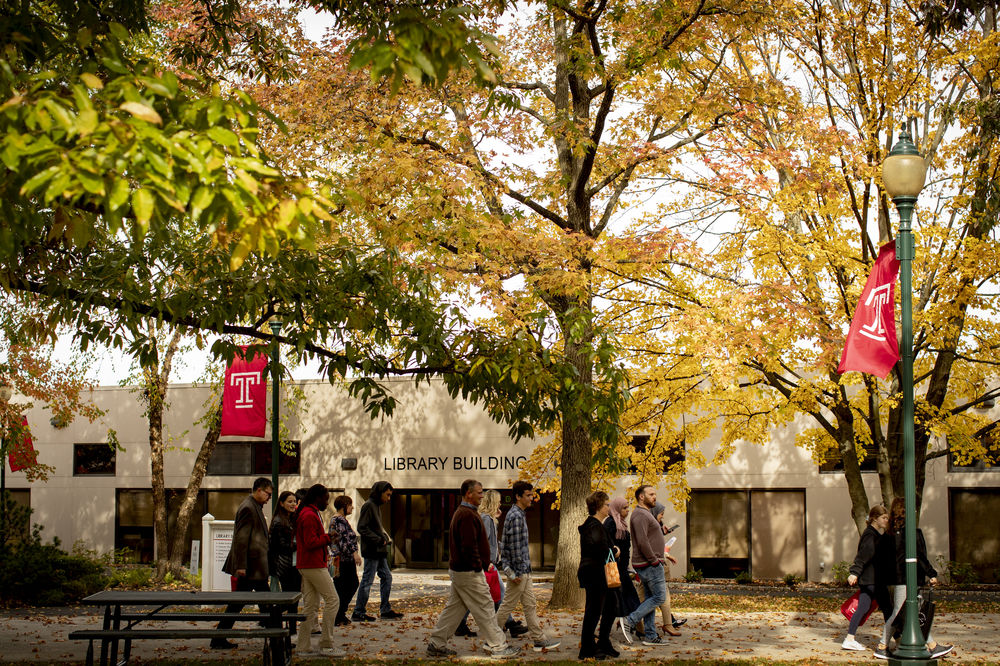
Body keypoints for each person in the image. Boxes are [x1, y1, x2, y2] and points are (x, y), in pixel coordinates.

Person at [426, 479, 521, 659]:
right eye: (479, 492)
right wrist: (479, 566)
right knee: (485, 607)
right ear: (468, 493)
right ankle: (498, 646)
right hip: (469, 571)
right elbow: (469, 546)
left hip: (462, 570)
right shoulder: (467, 515)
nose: (482, 495)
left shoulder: (465, 513)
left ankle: (436, 644)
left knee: (454, 609)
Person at [874, 498, 953, 660]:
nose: (915, 512)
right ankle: (882, 646)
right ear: (906, 512)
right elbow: (920, 556)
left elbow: (882, 560)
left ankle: (932, 645)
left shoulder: (888, 535)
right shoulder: (912, 533)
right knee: (899, 613)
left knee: (912, 613)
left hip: (897, 579)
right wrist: (931, 573)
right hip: (909, 579)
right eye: (913, 510)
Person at [496, 480, 560, 651]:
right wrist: (515, 573)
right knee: (507, 605)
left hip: (523, 570)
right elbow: (515, 548)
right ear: (518, 497)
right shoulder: (516, 516)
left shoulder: (518, 514)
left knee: (530, 605)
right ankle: (491, 638)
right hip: (519, 571)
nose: (532, 498)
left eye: (532, 494)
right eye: (528, 495)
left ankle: (538, 639)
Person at [212, 477, 272, 649]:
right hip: (251, 568)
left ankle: (218, 638)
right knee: (250, 603)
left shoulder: (254, 506)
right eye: (268, 494)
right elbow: (241, 539)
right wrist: (241, 566)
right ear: (259, 490)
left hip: (254, 567)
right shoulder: (248, 508)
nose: (269, 498)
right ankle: (276, 638)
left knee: (243, 604)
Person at [295, 483, 342, 657]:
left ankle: (303, 646)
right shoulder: (309, 515)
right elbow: (310, 542)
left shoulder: (309, 513)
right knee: (333, 600)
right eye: (325, 499)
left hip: (307, 564)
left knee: (311, 606)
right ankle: (326, 644)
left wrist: (326, 538)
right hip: (312, 564)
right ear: (318, 497)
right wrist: (328, 538)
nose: (327, 503)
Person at [619, 485, 668, 646]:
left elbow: (650, 536)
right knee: (660, 597)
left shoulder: (645, 514)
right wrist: (654, 560)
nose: (655, 497)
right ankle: (630, 620)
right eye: (651, 494)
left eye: (655, 493)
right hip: (649, 564)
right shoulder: (640, 515)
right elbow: (642, 541)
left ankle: (650, 635)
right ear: (641, 497)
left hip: (649, 563)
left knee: (650, 599)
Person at [578, 490, 622, 660]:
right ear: (598, 507)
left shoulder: (596, 525)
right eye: (606, 504)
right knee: (594, 610)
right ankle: (587, 647)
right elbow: (600, 549)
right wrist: (615, 551)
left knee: (611, 606)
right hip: (595, 574)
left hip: (600, 573)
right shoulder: (593, 526)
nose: (609, 507)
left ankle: (603, 641)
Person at [353, 480, 402, 621]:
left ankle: (385, 609)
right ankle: (358, 611)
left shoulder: (375, 506)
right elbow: (362, 527)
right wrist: (379, 539)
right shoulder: (369, 506)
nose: (388, 499)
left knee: (387, 577)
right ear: (379, 492)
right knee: (368, 580)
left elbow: (373, 527)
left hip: (379, 550)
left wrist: (383, 536)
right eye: (387, 495)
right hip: (372, 550)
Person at [842, 504, 889, 650]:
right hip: (871, 580)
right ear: (875, 519)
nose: (886, 520)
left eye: (887, 518)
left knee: (866, 607)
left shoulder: (875, 535)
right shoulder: (870, 535)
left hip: (873, 579)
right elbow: (863, 555)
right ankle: (895, 641)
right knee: (887, 609)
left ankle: (850, 638)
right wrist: (854, 572)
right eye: (884, 518)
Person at [603, 496, 640, 623]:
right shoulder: (611, 523)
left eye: (627, 508)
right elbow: (607, 545)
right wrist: (615, 553)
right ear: (617, 509)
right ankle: (633, 624)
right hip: (615, 570)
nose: (627, 511)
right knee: (621, 600)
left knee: (627, 599)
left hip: (622, 569)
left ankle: (634, 625)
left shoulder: (621, 524)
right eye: (624, 508)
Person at [329, 495, 361, 626]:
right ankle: (339, 613)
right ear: (344, 506)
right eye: (350, 504)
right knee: (350, 584)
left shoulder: (335, 519)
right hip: (344, 560)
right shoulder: (340, 520)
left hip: (338, 559)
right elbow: (345, 540)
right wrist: (355, 553)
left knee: (341, 587)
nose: (352, 507)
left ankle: (339, 614)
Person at [269, 491, 301, 595]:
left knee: (294, 596)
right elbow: (281, 546)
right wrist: (301, 545)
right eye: (290, 501)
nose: (293, 504)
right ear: (281, 503)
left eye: (294, 502)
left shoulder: (291, 519)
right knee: (290, 596)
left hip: (294, 564)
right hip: (285, 566)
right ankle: (276, 612)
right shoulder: (278, 521)